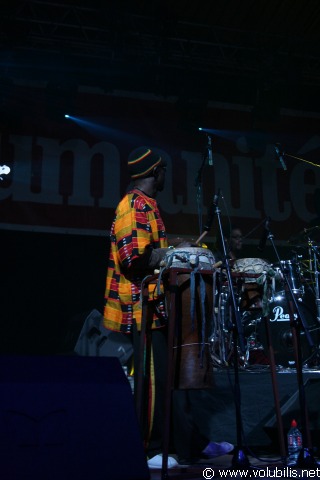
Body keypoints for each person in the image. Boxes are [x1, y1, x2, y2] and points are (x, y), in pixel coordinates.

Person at [103, 146, 233, 469]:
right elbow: (136, 258)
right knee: (153, 382)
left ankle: (187, 442)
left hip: (157, 306)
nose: (165, 176)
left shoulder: (148, 206)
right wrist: (175, 253)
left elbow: (152, 250)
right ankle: (151, 449)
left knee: (171, 380)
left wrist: (176, 246)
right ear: (153, 172)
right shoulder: (131, 206)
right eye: (162, 170)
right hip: (140, 307)